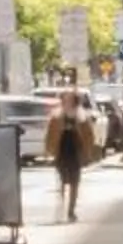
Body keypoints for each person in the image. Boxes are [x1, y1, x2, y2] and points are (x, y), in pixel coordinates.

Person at [42, 87, 91, 224]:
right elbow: (49, 136)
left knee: (75, 183)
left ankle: (71, 211)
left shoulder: (82, 116)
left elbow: (88, 137)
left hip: (75, 151)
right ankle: (61, 210)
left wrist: (87, 153)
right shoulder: (56, 116)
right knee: (63, 182)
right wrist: (48, 152)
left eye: (70, 98)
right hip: (62, 151)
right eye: (65, 98)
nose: (67, 101)